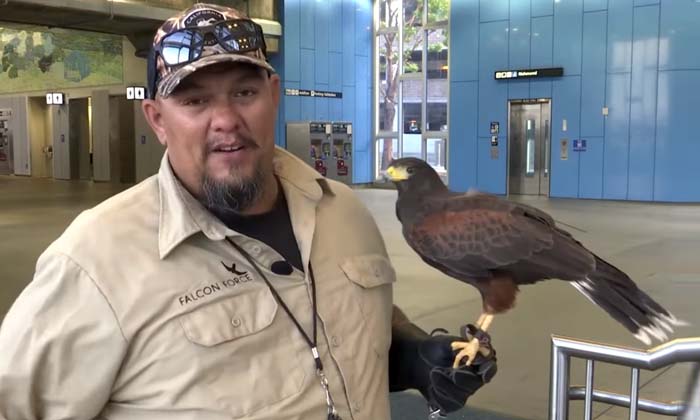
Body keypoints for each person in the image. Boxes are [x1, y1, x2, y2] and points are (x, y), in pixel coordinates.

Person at [0, 4, 496, 419]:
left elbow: (352, 329)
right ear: (157, 120)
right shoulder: (95, 260)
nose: (227, 121)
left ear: (273, 95)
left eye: (244, 92)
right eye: (194, 100)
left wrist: (410, 356)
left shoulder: (342, 211)